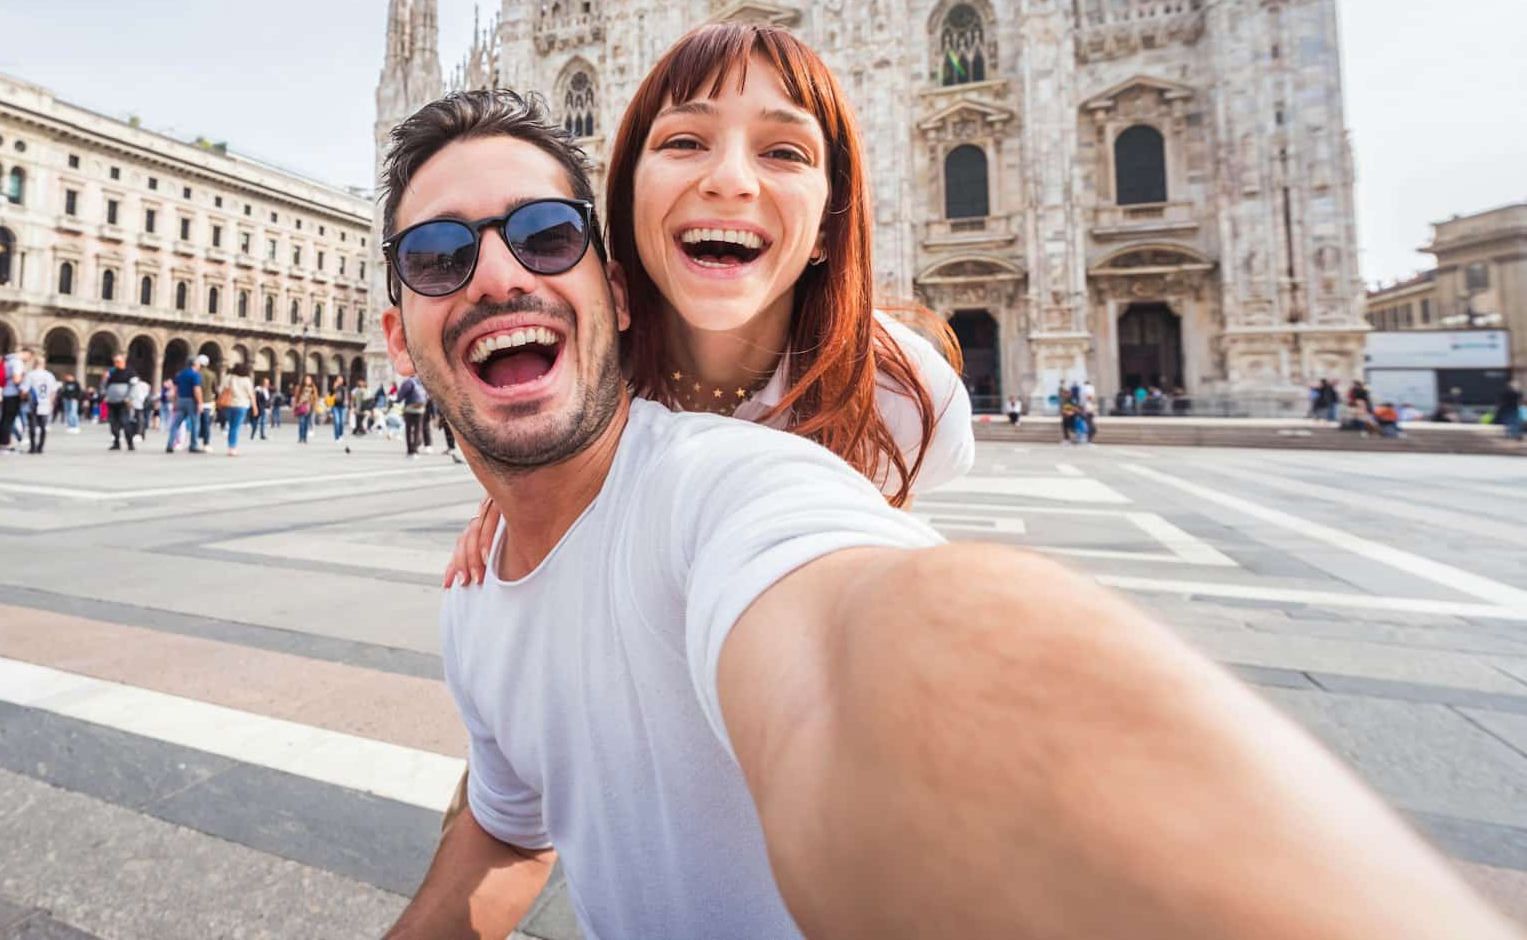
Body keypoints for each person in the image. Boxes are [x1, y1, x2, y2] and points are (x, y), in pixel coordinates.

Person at [375, 89, 1513, 940]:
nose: (492, 275)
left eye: (544, 236)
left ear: (613, 288)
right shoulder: (481, 601)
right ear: (396, 335)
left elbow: (863, 640)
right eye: (436, 254)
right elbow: (508, 823)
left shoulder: (724, 490)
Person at [443, 25, 969, 588]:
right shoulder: (571, 367)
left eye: (785, 152)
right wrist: (526, 491)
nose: (730, 181)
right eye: (685, 142)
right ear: (626, 197)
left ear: (826, 227)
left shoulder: (903, 396)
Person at [21, 352, 57, 454]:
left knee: (32, 425)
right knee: (43, 426)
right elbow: (53, 392)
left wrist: (22, 399)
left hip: (33, 404)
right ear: (43, 364)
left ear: (34, 363)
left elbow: (24, 390)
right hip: (45, 403)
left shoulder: (30, 375)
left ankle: (32, 447)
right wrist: (51, 403)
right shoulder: (49, 375)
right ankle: (40, 447)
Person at [219, 361, 255, 456]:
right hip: (241, 405)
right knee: (235, 427)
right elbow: (251, 395)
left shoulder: (228, 378)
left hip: (228, 405)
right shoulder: (246, 380)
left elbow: (220, 390)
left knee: (232, 426)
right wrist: (255, 408)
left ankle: (231, 444)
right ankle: (232, 448)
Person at [169, 357, 203, 453]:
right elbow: (196, 389)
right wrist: (200, 402)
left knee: (176, 424)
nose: (199, 365)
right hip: (191, 401)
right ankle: (193, 445)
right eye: (198, 364)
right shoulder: (195, 375)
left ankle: (170, 444)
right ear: (194, 364)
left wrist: (175, 402)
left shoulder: (180, 374)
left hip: (180, 400)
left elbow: (175, 389)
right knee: (194, 424)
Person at [103, 354, 135, 450]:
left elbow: (133, 386)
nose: (116, 364)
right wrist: (106, 395)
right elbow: (106, 385)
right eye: (115, 362)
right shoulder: (112, 372)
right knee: (113, 424)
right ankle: (116, 442)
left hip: (123, 402)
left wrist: (129, 398)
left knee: (125, 422)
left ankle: (130, 443)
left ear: (123, 362)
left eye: (118, 361)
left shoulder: (130, 372)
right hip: (112, 402)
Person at [398, 373, 428, 457]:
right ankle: (415, 449)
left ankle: (410, 450)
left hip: (410, 408)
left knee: (408, 429)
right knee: (417, 429)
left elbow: (401, 394)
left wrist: (398, 400)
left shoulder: (408, 382)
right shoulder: (422, 382)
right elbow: (427, 395)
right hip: (420, 409)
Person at [1498, 376, 1524, 442]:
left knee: (1513, 421)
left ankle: (1514, 434)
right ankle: (1514, 434)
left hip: (1512, 409)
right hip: (1508, 409)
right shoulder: (1510, 392)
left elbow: (1520, 397)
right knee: (1511, 421)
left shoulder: (1510, 392)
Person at [293, 375, 318, 443]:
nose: (308, 381)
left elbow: (316, 399)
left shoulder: (313, 388)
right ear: (304, 380)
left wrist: (314, 406)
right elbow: (296, 398)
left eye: (309, 380)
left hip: (309, 407)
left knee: (306, 423)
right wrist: (295, 406)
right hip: (301, 406)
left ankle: (304, 438)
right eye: (306, 379)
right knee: (301, 422)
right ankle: (300, 437)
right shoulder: (299, 388)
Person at [329, 375, 349, 442]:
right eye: (338, 379)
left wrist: (347, 405)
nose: (340, 380)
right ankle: (336, 437)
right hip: (335, 407)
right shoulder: (334, 387)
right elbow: (330, 396)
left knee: (342, 422)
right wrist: (334, 388)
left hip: (343, 407)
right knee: (337, 422)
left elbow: (346, 397)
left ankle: (340, 435)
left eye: (341, 379)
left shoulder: (344, 387)